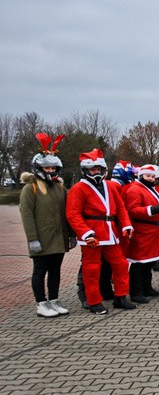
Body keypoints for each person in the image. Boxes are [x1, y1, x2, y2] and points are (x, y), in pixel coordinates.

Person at [65, 149, 136, 314]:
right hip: (93, 234)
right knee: (92, 269)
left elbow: (120, 208)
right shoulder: (78, 188)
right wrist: (85, 233)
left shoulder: (110, 186)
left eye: (98, 169)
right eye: (92, 169)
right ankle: (94, 301)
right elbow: (73, 214)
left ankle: (120, 297)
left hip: (111, 233)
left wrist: (126, 225)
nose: (96, 172)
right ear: (85, 170)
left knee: (121, 264)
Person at [20, 133, 73, 318]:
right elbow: (27, 216)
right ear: (39, 168)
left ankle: (54, 300)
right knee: (39, 271)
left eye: (53, 167)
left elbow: (67, 212)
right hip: (41, 239)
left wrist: (71, 234)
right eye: (47, 167)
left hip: (59, 238)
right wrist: (32, 239)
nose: (51, 170)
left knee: (55, 271)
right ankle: (41, 303)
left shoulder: (59, 187)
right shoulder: (30, 189)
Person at [123, 164, 159, 303]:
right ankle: (135, 292)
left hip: (153, 230)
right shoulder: (135, 190)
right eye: (148, 176)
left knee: (149, 262)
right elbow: (132, 210)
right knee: (139, 263)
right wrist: (151, 210)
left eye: (153, 176)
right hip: (142, 230)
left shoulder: (149, 189)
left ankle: (147, 287)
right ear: (141, 176)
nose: (151, 179)